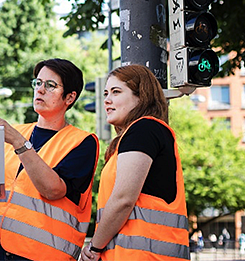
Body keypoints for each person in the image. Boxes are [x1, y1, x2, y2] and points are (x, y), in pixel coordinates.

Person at [0, 58, 99, 260]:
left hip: (42, 255)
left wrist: (18, 141)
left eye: (50, 85)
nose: (40, 90)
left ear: (70, 97)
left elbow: (53, 189)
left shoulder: (82, 142)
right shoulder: (15, 133)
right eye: (38, 83)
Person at [80, 65, 190, 261]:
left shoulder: (144, 129)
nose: (107, 100)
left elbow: (123, 199)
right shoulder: (138, 134)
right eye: (105, 93)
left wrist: (94, 247)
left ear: (142, 97)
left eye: (116, 92)